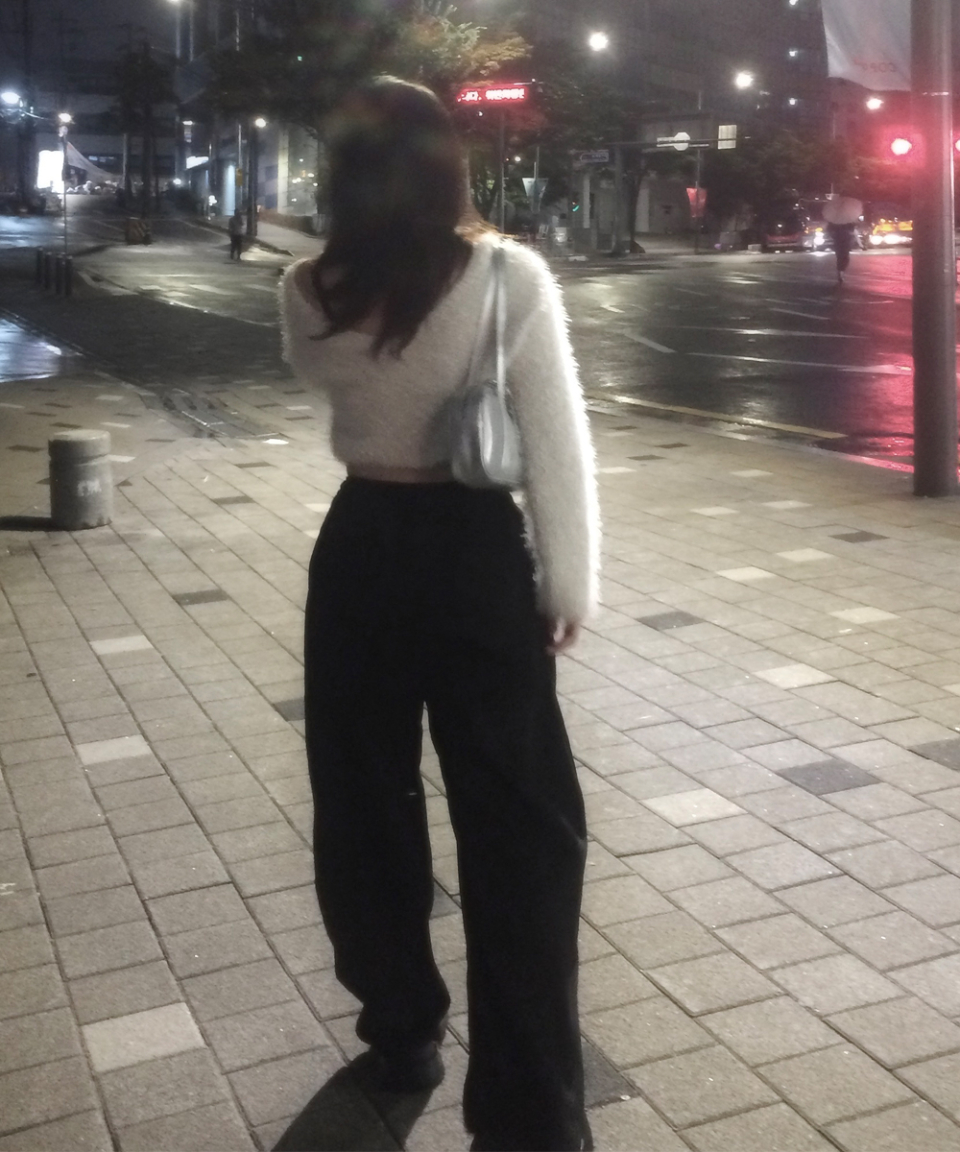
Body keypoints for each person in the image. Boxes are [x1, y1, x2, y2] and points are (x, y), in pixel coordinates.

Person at [280, 76, 600, 1152]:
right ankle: (530, 1110)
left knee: (363, 800)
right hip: (474, 557)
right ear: (447, 163)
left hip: (361, 550)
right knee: (523, 828)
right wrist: (566, 584)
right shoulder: (509, 280)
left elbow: (329, 380)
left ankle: (401, 1026)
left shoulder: (308, 290)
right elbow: (554, 445)